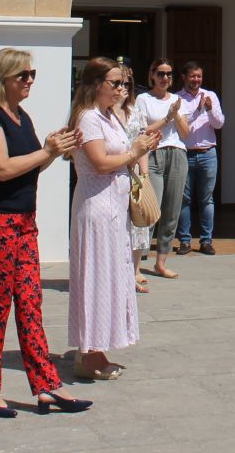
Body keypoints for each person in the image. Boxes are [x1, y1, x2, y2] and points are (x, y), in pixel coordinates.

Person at [0, 48, 88, 417]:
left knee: (30, 301)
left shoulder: (19, 115)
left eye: (32, 74)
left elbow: (30, 165)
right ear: (2, 77)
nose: (30, 81)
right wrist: (47, 151)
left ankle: (47, 385)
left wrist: (56, 148)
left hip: (22, 219)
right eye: (23, 75)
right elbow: (2, 168)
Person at [69, 57, 153, 381]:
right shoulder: (88, 118)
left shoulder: (108, 116)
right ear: (95, 84)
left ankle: (95, 348)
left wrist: (139, 148)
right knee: (96, 279)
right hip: (97, 207)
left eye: (122, 84)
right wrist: (135, 151)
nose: (120, 89)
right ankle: (89, 354)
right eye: (114, 83)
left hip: (113, 208)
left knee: (109, 278)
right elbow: (101, 162)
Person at [136, 59, 188, 279]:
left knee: (172, 209)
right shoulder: (143, 99)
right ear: (152, 75)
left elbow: (185, 133)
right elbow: (142, 129)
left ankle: (161, 261)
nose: (165, 78)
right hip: (154, 154)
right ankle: (137, 263)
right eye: (160, 74)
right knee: (150, 209)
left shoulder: (177, 100)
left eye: (168, 74)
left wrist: (175, 114)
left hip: (176, 153)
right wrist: (167, 117)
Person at [176, 62, 225, 256]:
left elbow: (220, 123)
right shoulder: (177, 98)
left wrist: (211, 109)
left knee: (207, 199)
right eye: (192, 76)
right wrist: (198, 111)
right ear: (184, 77)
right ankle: (185, 241)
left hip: (207, 153)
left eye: (199, 76)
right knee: (184, 199)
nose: (196, 80)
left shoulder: (210, 96)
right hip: (185, 153)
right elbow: (180, 123)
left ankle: (206, 241)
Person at [113, 62, 153, 293]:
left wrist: (144, 175)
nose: (124, 88)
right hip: (116, 172)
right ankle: (119, 274)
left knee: (138, 224)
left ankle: (134, 272)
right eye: (119, 83)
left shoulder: (135, 110)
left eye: (127, 83)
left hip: (134, 173)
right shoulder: (106, 112)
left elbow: (143, 143)